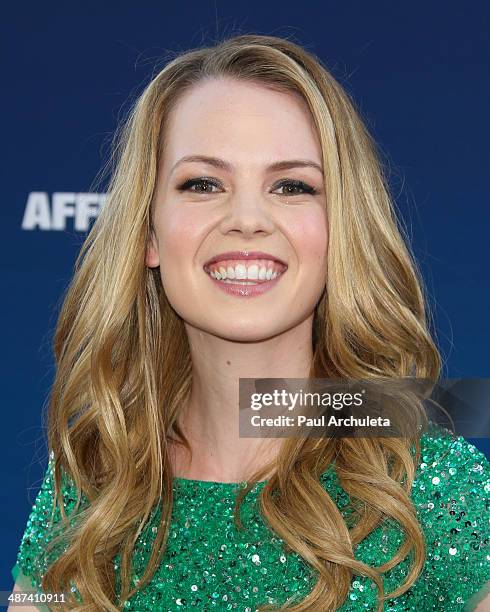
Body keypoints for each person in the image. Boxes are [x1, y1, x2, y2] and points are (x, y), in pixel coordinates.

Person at [10, 33, 490, 612]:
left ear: (339, 229)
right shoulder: (90, 481)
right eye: (203, 184)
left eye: (292, 186)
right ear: (147, 231)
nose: (246, 219)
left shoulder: (430, 487)